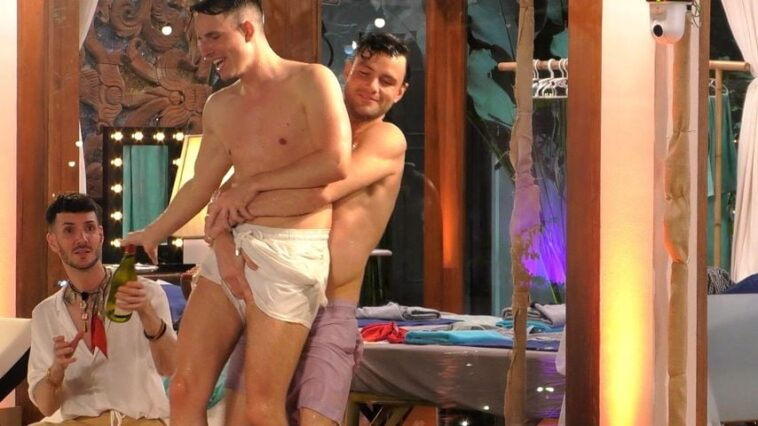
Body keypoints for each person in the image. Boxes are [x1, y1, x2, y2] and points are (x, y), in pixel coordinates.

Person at [121, 0, 351, 424]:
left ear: (247, 30)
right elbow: (200, 183)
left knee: (261, 408)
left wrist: (252, 184)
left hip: (290, 251)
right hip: (233, 246)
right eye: (200, 39)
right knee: (184, 388)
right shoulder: (220, 106)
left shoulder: (312, 80)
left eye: (213, 37)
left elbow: (336, 162)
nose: (204, 50)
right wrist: (153, 231)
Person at [217, 32, 410, 425]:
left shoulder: (387, 138)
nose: (373, 87)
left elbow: (323, 190)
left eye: (386, 81)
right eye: (365, 73)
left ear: (400, 92)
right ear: (347, 70)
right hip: (271, 296)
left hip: (329, 308)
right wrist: (222, 239)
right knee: (244, 418)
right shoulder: (309, 134)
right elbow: (226, 191)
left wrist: (247, 194)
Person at [27, 192, 176, 425]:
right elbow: (46, 407)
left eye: (89, 228)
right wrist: (56, 371)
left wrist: (147, 313)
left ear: (101, 235)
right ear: (52, 241)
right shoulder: (44, 314)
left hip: (140, 421)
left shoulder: (145, 292)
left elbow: (170, 368)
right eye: (69, 230)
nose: (82, 238)